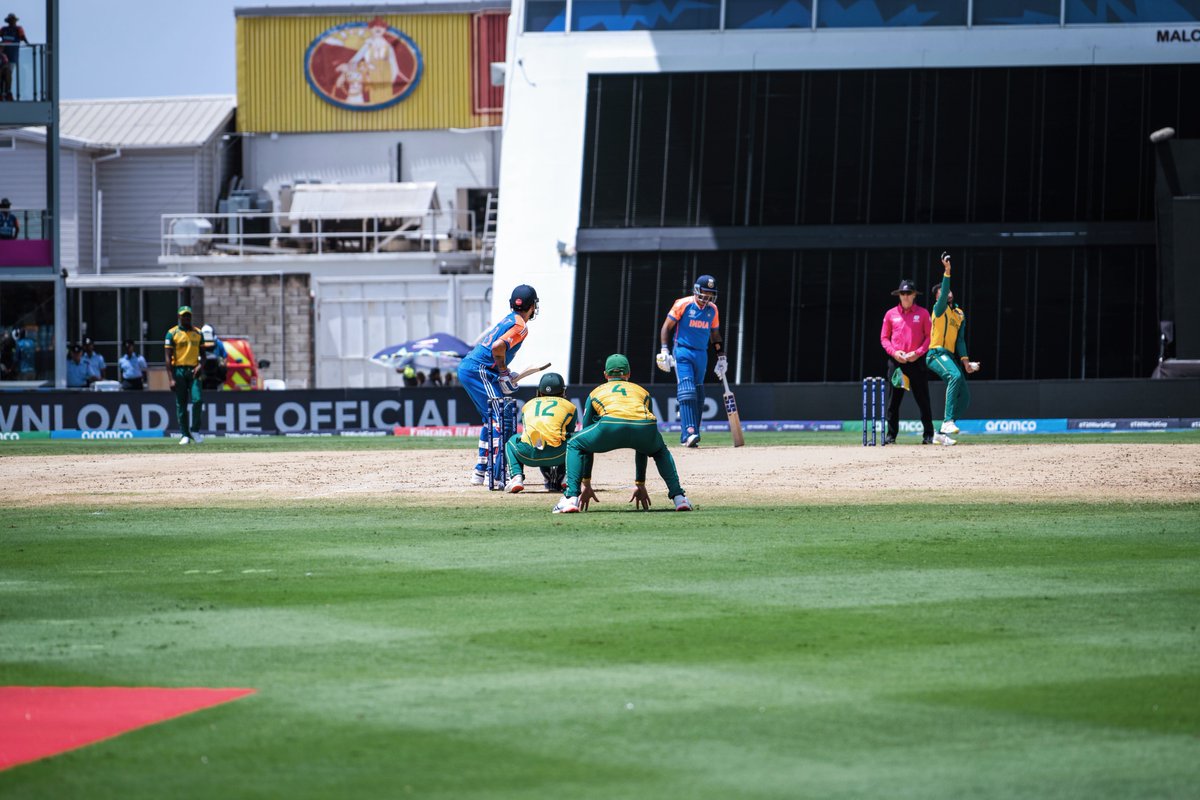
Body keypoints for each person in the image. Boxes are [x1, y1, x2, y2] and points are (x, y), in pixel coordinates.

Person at [553, 353, 692, 514]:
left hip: (610, 427)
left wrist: (587, 483)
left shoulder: (596, 392)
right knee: (660, 450)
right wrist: (640, 483)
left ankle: (571, 498)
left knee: (574, 443)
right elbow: (642, 447)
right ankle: (679, 498)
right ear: (628, 374)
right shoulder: (642, 391)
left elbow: (586, 445)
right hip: (644, 427)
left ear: (605, 374)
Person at [457, 284, 539, 485]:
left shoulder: (509, 319)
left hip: (473, 368)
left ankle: (480, 472)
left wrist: (505, 372)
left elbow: (496, 349)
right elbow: (497, 347)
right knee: (503, 418)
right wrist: (502, 372)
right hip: (479, 370)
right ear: (532, 306)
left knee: (491, 418)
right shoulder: (520, 326)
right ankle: (497, 474)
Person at [657, 274, 726, 448]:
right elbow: (666, 327)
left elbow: (715, 335)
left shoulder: (713, 309)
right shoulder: (683, 304)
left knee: (699, 393)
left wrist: (721, 357)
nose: (707, 297)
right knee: (687, 390)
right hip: (682, 351)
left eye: (710, 294)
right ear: (696, 290)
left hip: (701, 353)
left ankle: (690, 434)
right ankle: (689, 433)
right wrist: (664, 349)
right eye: (704, 293)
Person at [926, 253, 981, 442]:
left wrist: (966, 363)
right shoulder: (938, 308)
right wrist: (947, 271)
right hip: (935, 354)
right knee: (954, 376)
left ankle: (940, 434)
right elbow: (943, 293)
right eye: (942, 291)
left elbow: (960, 341)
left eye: (948, 290)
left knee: (964, 397)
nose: (947, 292)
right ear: (938, 297)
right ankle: (947, 421)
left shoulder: (959, 314)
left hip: (949, 356)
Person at [879, 278, 936, 445]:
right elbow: (884, 338)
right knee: (893, 402)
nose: (905, 296)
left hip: (916, 362)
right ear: (899, 295)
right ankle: (891, 436)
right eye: (902, 293)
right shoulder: (890, 314)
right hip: (897, 363)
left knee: (923, 400)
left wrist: (917, 353)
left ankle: (928, 435)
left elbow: (930, 337)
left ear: (914, 295)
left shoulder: (923, 313)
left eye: (908, 293)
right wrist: (895, 353)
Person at [503, 372, 577, 494]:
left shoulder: (528, 405)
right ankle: (568, 477)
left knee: (511, 441)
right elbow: (569, 433)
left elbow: (529, 431)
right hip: (558, 455)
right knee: (576, 439)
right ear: (562, 391)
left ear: (540, 392)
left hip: (528, 456)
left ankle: (516, 477)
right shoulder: (570, 406)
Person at [164, 305, 206, 445]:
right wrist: (171, 378)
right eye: (184, 316)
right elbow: (167, 358)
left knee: (198, 400)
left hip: (194, 371)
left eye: (188, 315)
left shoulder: (198, 333)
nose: (186, 318)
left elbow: (204, 355)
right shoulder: (172, 333)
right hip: (179, 371)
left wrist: (200, 366)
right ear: (179, 317)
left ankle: (195, 430)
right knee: (181, 404)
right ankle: (184, 434)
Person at [0, 13, 27, 102]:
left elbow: (23, 38)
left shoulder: (18, 29)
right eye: (10, 20)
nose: (11, 22)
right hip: (3, 56)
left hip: (12, 57)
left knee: (8, 73)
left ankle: (7, 93)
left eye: (13, 20)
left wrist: (29, 45)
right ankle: (2, 93)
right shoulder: (3, 29)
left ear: (15, 21)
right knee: (2, 73)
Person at [199, 324, 228, 390]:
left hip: (217, 374)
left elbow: (224, 357)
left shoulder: (218, 343)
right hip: (203, 373)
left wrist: (222, 366)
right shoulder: (199, 344)